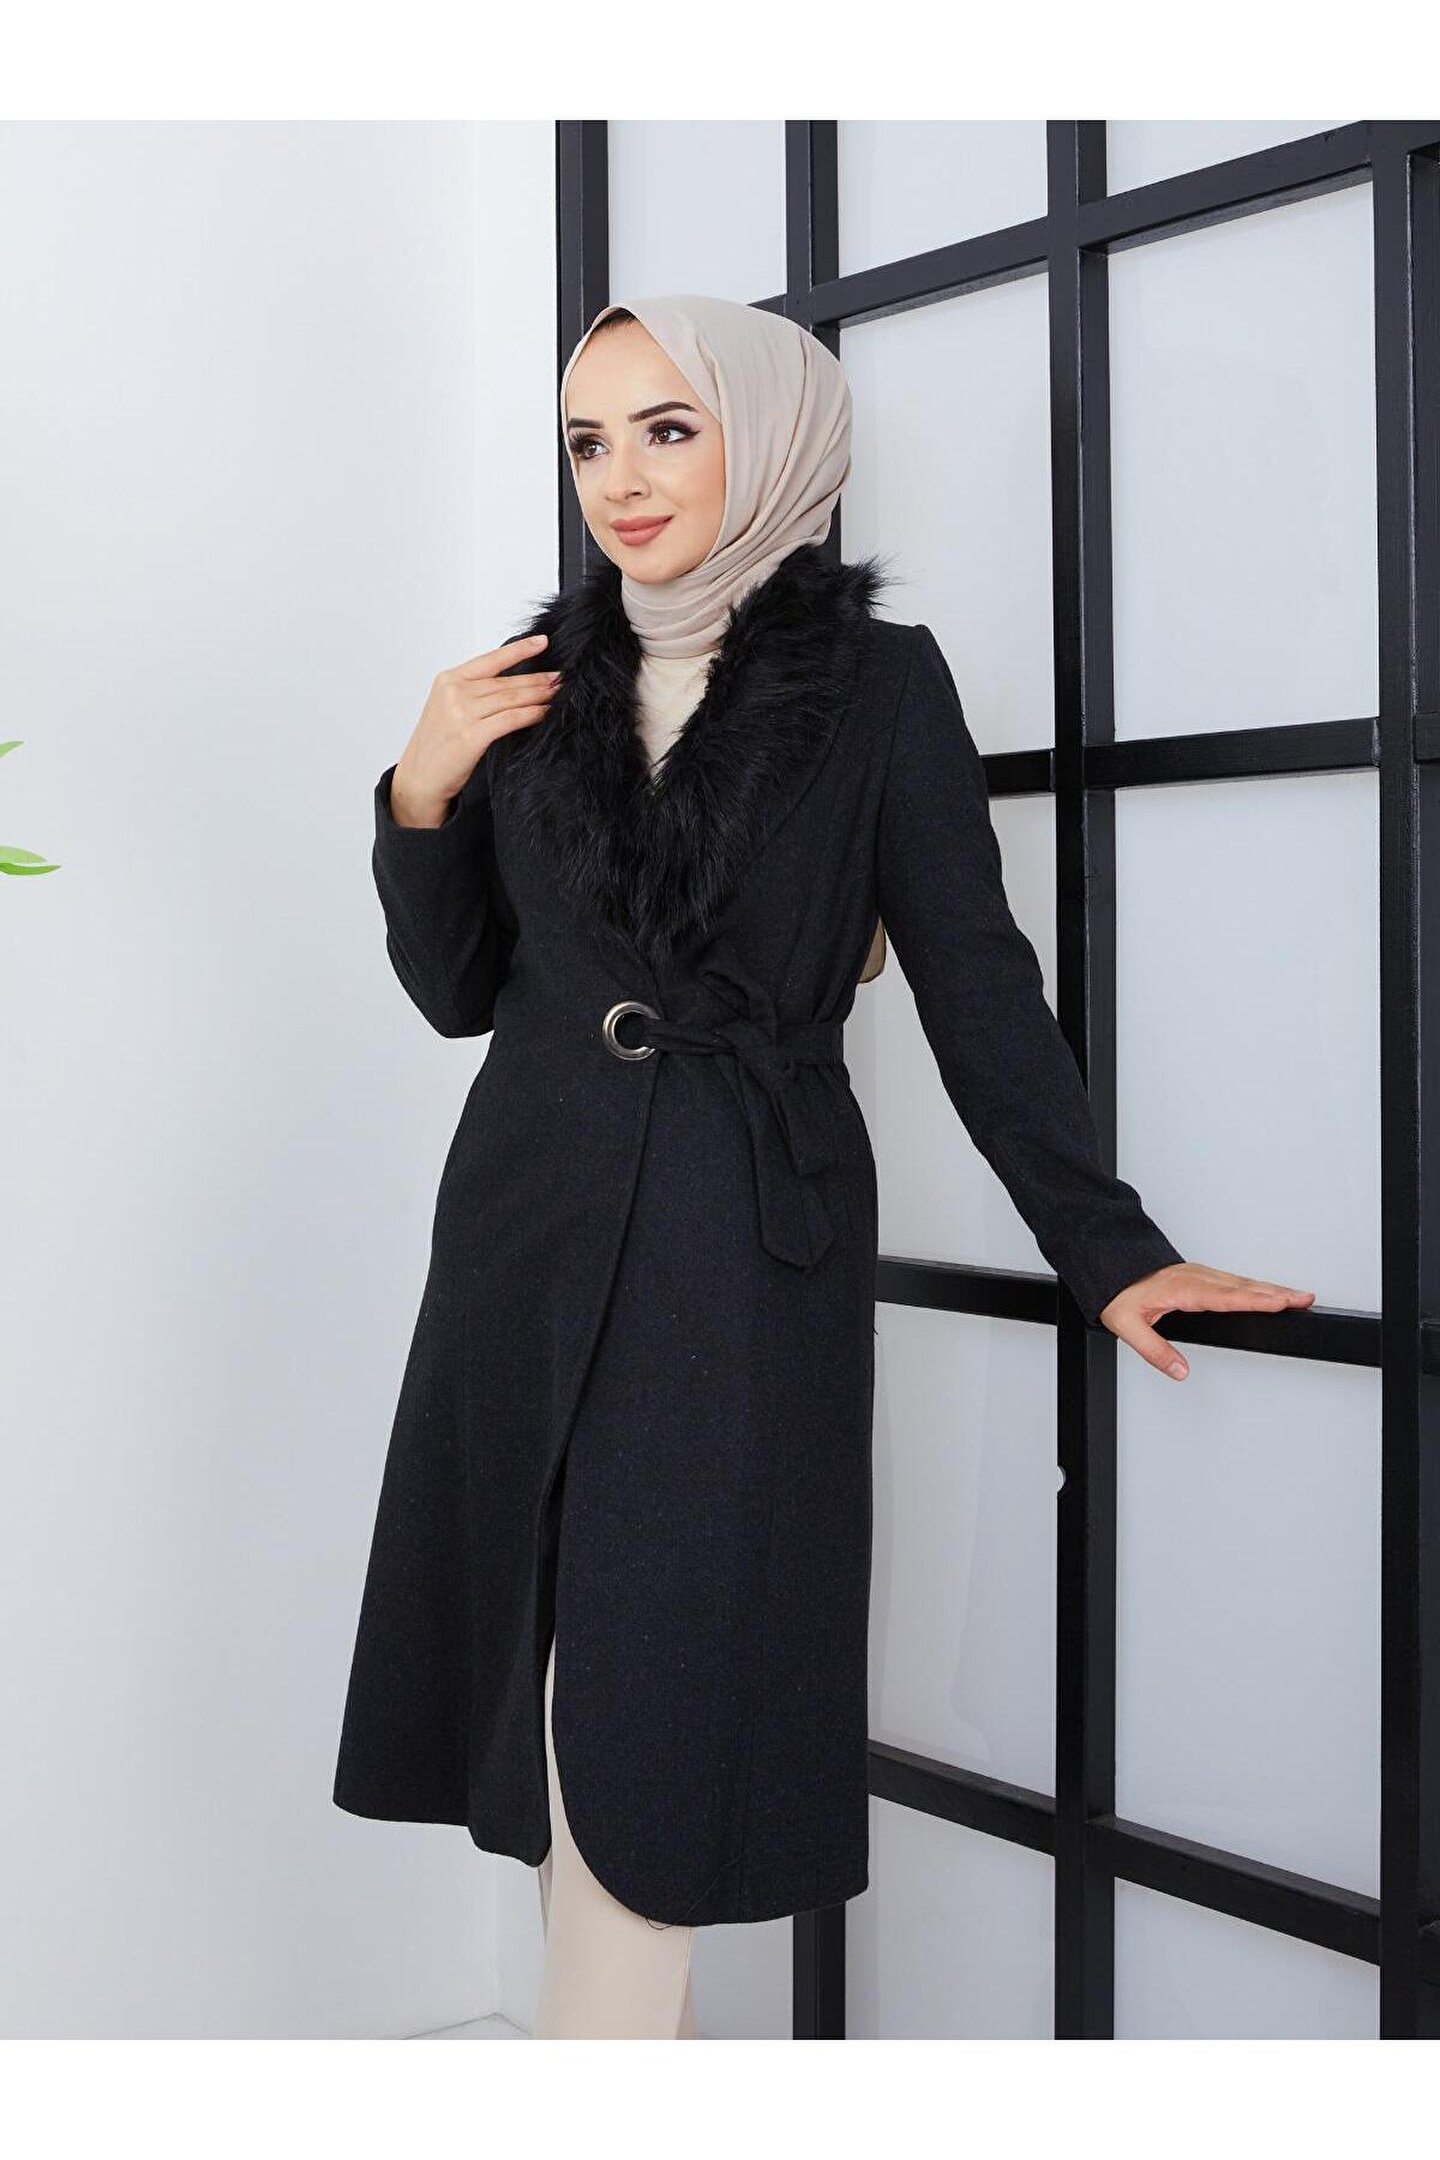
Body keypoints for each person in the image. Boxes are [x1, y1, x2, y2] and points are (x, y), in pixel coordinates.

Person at [333, 293, 1316, 2040]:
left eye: (668, 429)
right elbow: (459, 991)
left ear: (774, 437)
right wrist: (421, 791)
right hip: (521, 1229)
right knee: (545, 1685)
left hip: (735, 1236)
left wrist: (1108, 1246)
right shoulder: (528, 683)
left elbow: (977, 984)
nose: (620, 480)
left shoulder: (875, 687)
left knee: (663, 1700)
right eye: (587, 441)